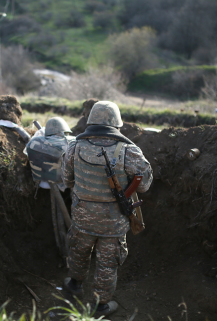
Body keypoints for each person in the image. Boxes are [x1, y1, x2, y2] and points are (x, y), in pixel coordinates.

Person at [61, 101, 153, 318]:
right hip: (114, 221)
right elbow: (145, 184)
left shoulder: (75, 146)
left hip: (82, 216)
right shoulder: (129, 150)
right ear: (117, 123)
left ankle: (74, 285)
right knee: (107, 263)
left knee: (78, 251)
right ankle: (100, 305)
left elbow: (67, 179)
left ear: (90, 120)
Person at [25, 117, 75, 258]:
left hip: (43, 182)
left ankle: (64, 250)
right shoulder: (69, 142)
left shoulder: (34, 141)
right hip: (62, 181)